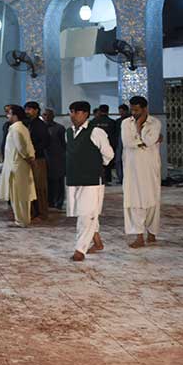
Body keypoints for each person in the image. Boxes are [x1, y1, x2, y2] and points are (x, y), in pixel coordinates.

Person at [66, 101, 115, 262]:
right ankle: (97, 241)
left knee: (86, 215)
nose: (72, 115)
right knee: (84, 212)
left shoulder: (96, 132)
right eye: (71, 112)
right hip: (74, 178)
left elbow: (109, 154)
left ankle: (80, 249)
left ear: (85, 114)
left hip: (92, 179)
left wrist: (94, 165)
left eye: (76, 112)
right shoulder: (68, 132)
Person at [121, 96, 162, 248]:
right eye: (132, 109)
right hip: (132, 169)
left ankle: (152, 232)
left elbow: (150, 141)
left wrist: (139, 128)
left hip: (150, 168)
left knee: (152, 200)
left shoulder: (155, 122)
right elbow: (127, 142)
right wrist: (143, 141)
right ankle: (139, 235)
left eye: (137, 110)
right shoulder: (126, 123)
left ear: (145, 109)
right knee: (134, 201)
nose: (133, 113)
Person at [0, 105, 36, 227]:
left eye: (9, 113)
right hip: (19, 165)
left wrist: (28, 158)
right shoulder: (21, 127)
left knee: (19, 195)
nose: (7, 116)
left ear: (15, 115)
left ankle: (22, 220)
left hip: (17, 165)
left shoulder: (16, 128)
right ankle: (22, 219)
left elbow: (22, 148)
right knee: (21, 194)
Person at [24, 101, 50, 222]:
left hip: (38, 159)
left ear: (36, 110)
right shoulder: (27, 123)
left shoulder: (40, 125)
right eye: (26, 109)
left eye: (30, 109)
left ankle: (42, 213)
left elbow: (45, 143)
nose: (27, 112)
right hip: (28, 159)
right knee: (30, 187)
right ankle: (33, 212)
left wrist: (32, 152)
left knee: (40, 187)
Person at [42, 108, 67, 210]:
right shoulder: (40, 127)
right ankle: (49, 201)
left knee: (58, 181)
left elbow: (64, 144)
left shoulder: (59, 128)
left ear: (53, 116)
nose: (46, 117)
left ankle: (59, 201)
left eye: (48, 115)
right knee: (47, 182)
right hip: (44, 158)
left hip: (57, 158)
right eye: (44, 115)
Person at [90, 105, 116, 184]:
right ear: (108, 111)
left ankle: (98, 179)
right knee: (107, 162)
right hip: (109, 144)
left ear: (99, 111)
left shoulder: (93, 122)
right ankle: (107, 179)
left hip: (94, 147)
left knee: (96, 163)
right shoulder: (112, 122)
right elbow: (115, 136)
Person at [116, 104, 131, 184]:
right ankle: (121, 178)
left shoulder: (131, 120)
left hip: (128, 142)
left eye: (122, 111)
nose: (120, 113)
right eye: (120, 111)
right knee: (119, 160)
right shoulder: (119, 121)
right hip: (120, 142)